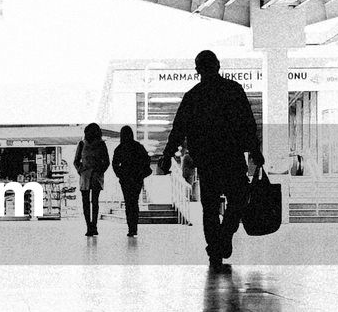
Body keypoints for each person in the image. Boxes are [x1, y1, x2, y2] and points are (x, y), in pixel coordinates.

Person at [157, 50, 263, 269]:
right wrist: (254, 149)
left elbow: (178, 129)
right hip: (232, 157)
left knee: (210, 207)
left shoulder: (193, 96)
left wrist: (167, 154)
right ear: (218, 66)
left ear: (198, 70)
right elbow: (248, 124)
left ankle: (216, 248)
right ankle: (224, 237)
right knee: (239, 199)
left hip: (207, 161)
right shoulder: (234, 90)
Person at [111, 125, 152, 237]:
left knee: (128, 203)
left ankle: (131, 227)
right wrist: (141, 173)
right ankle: (134, 227)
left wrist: (120, 175)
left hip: (125, 179)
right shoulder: (138, 146)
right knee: (134, 202)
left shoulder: (120, 148)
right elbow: (147, 160)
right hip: (137, 178)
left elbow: (114, 164)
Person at [73, 123, 110, 237]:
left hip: (95, 177)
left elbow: (106, 161)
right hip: (85, 177)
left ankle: (94, 225)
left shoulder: (101, 144)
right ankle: (89, 226)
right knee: (86, 203)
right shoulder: (82, 144)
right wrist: (81, 170)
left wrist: (99, 171)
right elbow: (76, 161)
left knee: (94, 202)